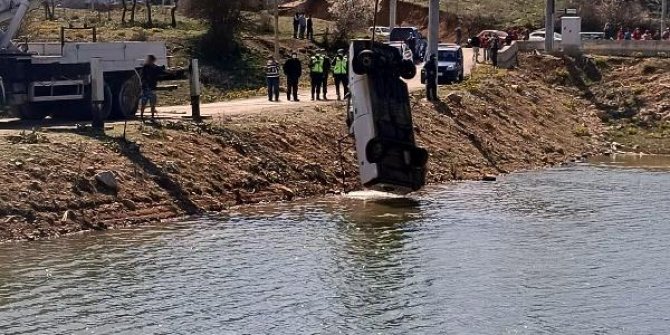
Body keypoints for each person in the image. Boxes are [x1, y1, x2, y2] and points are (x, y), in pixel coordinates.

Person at [140, 54, 165, 121]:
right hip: (146, 89)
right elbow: (142, 77)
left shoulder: (155, 68)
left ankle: (152, 116)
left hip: (152, 88)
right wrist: (144, 84)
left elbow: (162, 72)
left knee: (152, 104)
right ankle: (142, 116)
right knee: (143, 103)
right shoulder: (145, 67)